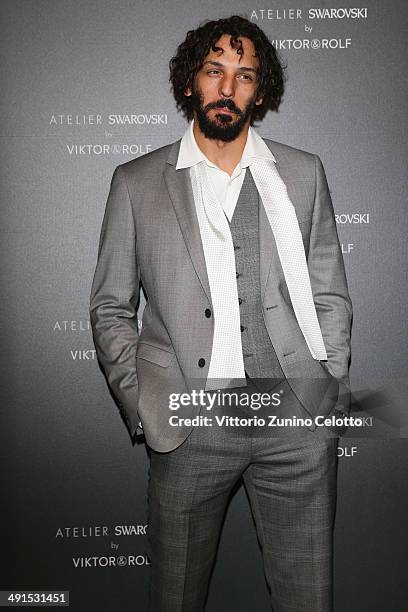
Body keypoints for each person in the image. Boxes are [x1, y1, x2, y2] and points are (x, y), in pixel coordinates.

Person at [89, 15, 352, 612]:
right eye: (215, 71)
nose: (228, 89)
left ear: (259, 92)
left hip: (294, 421)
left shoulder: (303, 173)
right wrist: (147, 399)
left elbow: (330, 293)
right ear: (192, 82)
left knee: (308, 599)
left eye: (244, 76)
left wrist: (329, 387)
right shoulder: (135, 182)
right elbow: (110, 307)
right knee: (175, 598)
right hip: (189, 426)